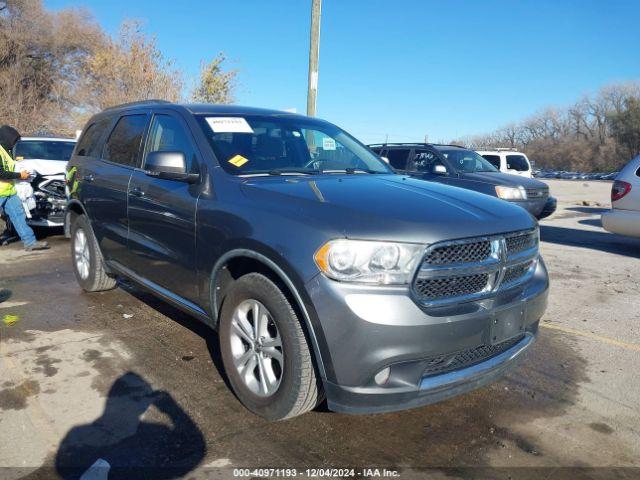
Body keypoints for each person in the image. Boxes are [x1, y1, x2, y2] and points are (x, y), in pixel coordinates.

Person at [0, 125, 49, 251]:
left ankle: (30, 242)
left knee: (19, 216)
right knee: (18, 216)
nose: (15, 143)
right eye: (14, 140)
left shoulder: (7, 152)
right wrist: (20, 175)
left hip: (9, 192)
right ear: (7, 139)